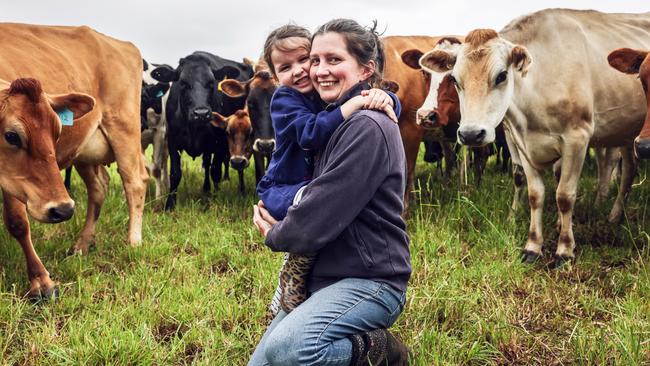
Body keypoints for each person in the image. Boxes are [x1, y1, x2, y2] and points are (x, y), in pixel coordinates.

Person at [251, 18, 411, 366]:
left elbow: (317, 216)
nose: (319, 70)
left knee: (290, 350)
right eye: (316, 60)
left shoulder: (367, 126)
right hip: (324, 276)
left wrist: (276, 232)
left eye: (334, 60)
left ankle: (382, 351)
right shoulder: (331, 115)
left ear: (367, 69)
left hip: (370, 279)